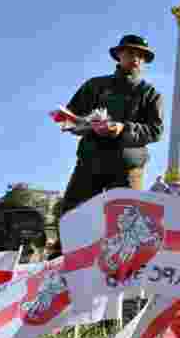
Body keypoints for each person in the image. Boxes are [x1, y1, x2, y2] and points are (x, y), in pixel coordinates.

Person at [58, 35, 164, 218]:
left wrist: (123, 129)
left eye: (141, 55)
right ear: (119, 55)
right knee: (73, 218)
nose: (136, 58)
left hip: (128, 168)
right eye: (131, 53)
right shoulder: (94, 86)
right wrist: (82, 125)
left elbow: (155, 131)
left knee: (125, 226)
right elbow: (67, 119)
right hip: (90, 163)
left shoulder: (150, 93)